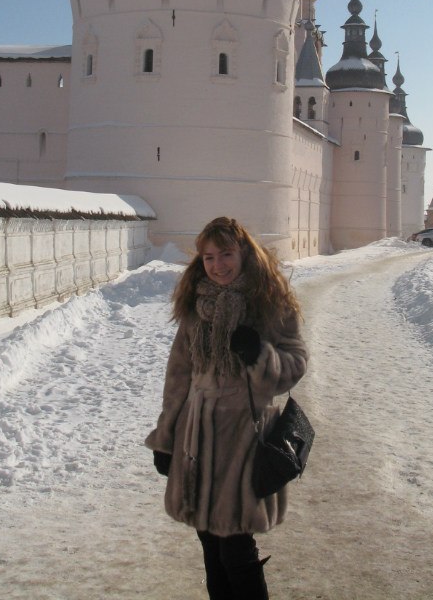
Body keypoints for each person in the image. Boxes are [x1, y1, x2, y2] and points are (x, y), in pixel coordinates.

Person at [145, 216, 308, 600]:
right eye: (208, 257)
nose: (218, 265)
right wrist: (166, 438)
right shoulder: (194, 306)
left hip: (244, 439)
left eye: (226, 254)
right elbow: (179, 377)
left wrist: (260, 355)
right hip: (196, 439)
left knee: (236, 549)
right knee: (210, 547)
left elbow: (296, 362)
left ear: (244, 253)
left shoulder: (270, 302)